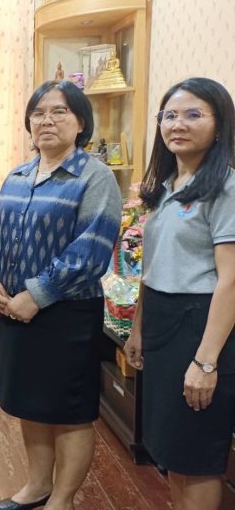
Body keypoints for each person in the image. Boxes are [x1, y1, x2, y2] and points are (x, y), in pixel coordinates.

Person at [0, 80, 121, 510]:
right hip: (13, 309)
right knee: (32, 404)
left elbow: (91, 251)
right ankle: (37, 486)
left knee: (70, 411)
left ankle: (62, 499)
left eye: (59, 111)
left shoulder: (95, 177)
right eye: (38, 113)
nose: (47, 120)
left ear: (81, 122)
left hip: (67, 315)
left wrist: (36, 295)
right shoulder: (17, 176)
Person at [124, 78, 235, 510]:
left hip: (202, 327)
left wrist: (206, 363)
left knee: (198, 455)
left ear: (220, 125)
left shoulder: (225, 187)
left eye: (193, 115)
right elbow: (153, 267)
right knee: (172, 450)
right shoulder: (167, 186)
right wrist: (138, 328)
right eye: (169, 115)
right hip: (162, 323)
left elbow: (230, 281)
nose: (178, 124)